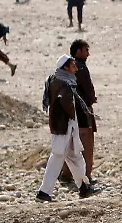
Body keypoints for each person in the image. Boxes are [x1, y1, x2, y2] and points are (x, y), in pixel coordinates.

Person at [37, 54, 99, 201]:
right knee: (57, 157)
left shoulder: (56, 79)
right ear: (65, 67)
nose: (76, 69)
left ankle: (83, 187)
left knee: (75, 157)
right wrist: (73, 116)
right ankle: (44, 192)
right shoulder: (63, 83)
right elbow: (66, 104)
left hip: (65, 126)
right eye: (73, 66)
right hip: (63, 126)